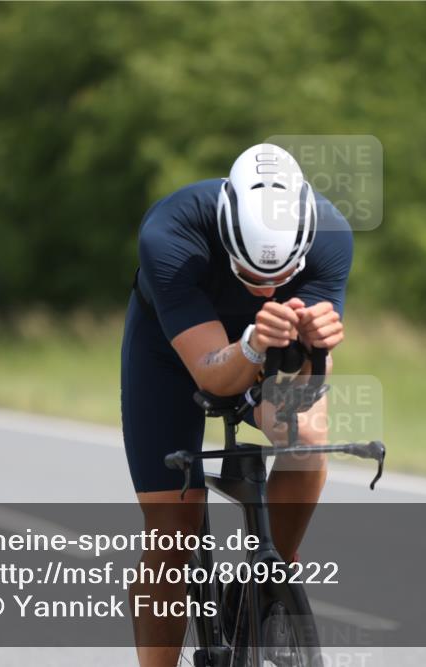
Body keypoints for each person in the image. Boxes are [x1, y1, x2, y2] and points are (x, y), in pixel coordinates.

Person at [120, 143, 353, 666]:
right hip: (172, 350)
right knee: (173, 532)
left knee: (308, 440)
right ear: (226, 233)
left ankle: (266, 581)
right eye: (249, 277)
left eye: (279, 277)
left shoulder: (331, 236)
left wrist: (318, 348)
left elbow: (304, 390)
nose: (266, 288)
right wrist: (250, 344)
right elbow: (212, 377)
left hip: (266, 345)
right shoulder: (170, 233)